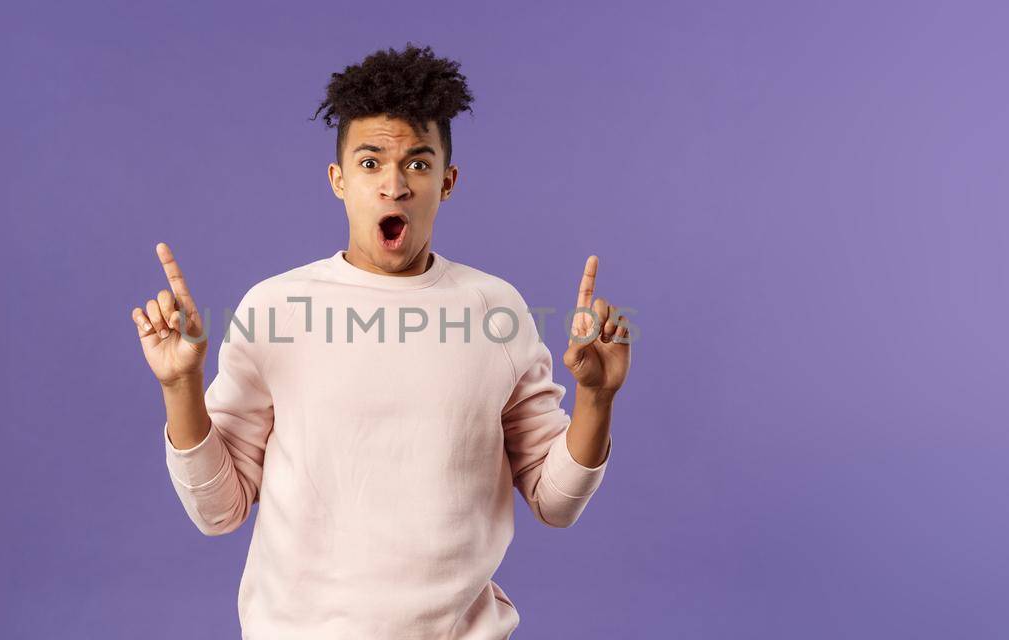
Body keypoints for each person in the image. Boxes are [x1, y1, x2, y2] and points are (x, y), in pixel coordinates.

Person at [131, 43, 634, 639]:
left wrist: (596, 400)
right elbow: (220, 511)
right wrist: (181, 384)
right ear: (338, 180)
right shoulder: (274, 309)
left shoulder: (497, 310)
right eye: (371, 164)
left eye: (418, 164)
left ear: (446, 182)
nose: (394, 185)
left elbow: (555, 503)